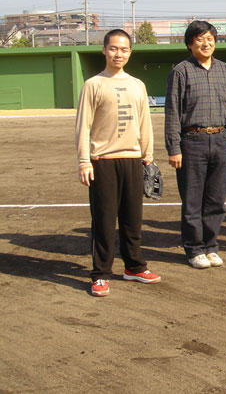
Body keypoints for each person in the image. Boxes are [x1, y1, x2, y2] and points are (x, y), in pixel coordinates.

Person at [75, 29, 161, 297]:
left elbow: (145, 123)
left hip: (133, 160)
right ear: (104, 50)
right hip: (103, 161)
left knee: (132, 219)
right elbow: (83, 127)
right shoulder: (93, 84)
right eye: (113, 48)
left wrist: (148, 157)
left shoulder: (137, 85)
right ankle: (100, 274)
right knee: (103, 220)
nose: (118, 54)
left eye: (124, 49)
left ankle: (134, 267)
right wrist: (84, 162)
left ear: (130, 53)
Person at [165, 21, 226, 269]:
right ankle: (195, 249)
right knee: (193, 200)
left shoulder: (225, 70)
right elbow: (172, 112)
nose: (206, 44)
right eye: (200, 39)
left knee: (216, 199)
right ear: (190, 44)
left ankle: (211, 246)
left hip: (220, 140)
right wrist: (174, 148)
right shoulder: (180, 71)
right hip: (192, 141)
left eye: (209, 39)